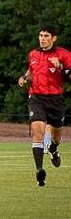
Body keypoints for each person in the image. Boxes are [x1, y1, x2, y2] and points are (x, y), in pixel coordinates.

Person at [18, 25, 71, 187]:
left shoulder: (64, 54)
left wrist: (60, 67)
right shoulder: (33, 54)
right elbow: (31, 70)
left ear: (53, 38)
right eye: (40, 35)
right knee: (37, 133)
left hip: (56, 100)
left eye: (46, 35)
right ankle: (40, 170)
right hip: (37, 98)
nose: (42, 38)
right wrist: (24, 78)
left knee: (55, 137)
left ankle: (53, 149)